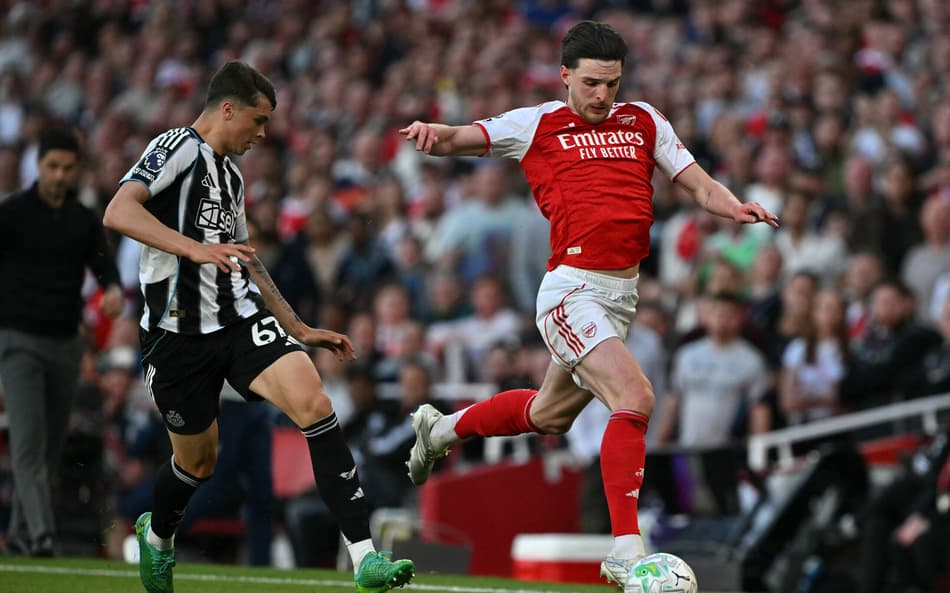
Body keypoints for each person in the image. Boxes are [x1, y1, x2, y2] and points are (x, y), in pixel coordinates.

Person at [399, 20, 778, 590]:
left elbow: (699, 184)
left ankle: (441, 430)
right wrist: (435, 131)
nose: (603, 95)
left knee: (549, 415)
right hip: (572, 291)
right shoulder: (538, 122)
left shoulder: (645, 120)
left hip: (620, 297)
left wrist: (734, 206)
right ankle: (626, 550)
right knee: (635, 395)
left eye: (612, 83)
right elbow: (464, 137)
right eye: (592, 83)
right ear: (565, 76)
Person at [102, 61, 413, 593]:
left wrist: (299, 326)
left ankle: (364, 558)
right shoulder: (177, 146)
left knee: (315, 404)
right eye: (259, 119)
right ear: (227, 109)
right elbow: (118, 211)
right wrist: (195, 249)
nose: (264, 133)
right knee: (198, 464)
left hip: (237, 321)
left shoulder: (231, 176)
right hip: (175, 336)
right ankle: (158, 537)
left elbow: (247, 259)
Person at [0, 127, 124, 556]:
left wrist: (112, 289)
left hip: (66, 346)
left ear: (76, 170)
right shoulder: (12, 213)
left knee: (49, 448)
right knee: (28, 441)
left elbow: (105, 265)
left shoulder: (82, 219)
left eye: (67, 168)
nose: (59, 175)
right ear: (39, 166)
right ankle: (41, 535)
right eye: (52, 166)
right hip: (18, 342)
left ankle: (20, 536)